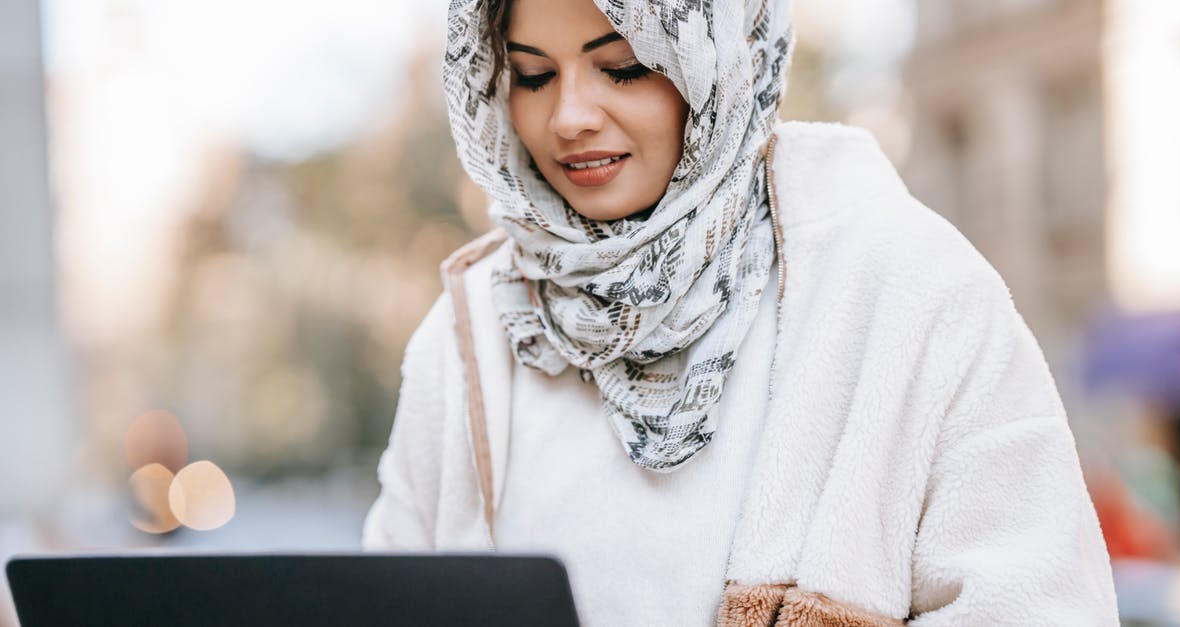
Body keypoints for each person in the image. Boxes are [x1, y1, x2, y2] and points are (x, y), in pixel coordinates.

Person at [363, 0, 1120, 624]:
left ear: (720, 56)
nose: (569, 117)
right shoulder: (466, 336)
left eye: (622, 65)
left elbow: (1041, 605)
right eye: (531, 76)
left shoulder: (913, 289)